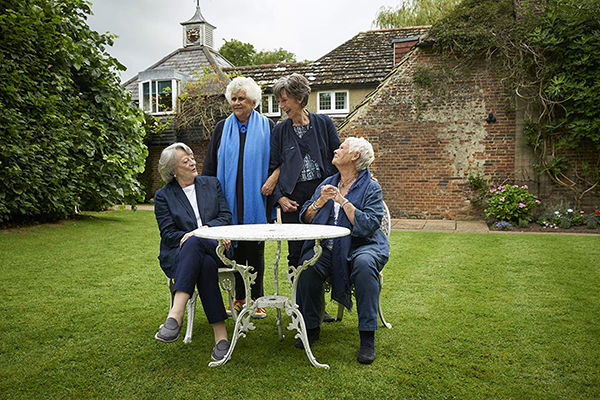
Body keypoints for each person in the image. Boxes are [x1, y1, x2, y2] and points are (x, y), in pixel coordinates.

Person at [295, 137, 390, 364]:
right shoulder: (328, 182)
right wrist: (319, 202)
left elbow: (368, 225)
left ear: (355, 156)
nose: (336, 150)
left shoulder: (371, 187)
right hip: (329, 247)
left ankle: (367, 337)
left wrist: (342, 200)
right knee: (308, 264)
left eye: (342, 148)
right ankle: (311, 326)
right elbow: (306, 217)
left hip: (362, 245)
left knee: (365, 265)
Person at [203, 76, 278, 319]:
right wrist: (210, 200)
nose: (236, 103)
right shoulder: (221, 128)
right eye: (233, 98)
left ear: (253, 101)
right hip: (228, 202)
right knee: (232, 252)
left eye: (241, 98)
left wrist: (273, 178)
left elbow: (279, 163)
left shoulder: (268, 127)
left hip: (257, 201)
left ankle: (257, 300)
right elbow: (210, 167)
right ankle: (238, 299)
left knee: (254, 250)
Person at [154, 142, 233, 361]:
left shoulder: (211, 183)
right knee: (204, 265)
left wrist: (203, 231)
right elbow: (169, 234)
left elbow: (225, 217)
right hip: (181, 253)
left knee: (197, 240)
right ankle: (221, 337)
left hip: (217, 246)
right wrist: (191, 236)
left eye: (191, 157)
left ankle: (175, 315)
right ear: (173, 170)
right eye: (185, 160)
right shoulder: (164, 196)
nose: (192, 162)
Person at [269, 73, 341, 269]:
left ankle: (317, 296)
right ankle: (295, 298)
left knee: (324, 247)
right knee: (295, 253)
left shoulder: (323, 123)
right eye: (279, 101)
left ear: (299, 98)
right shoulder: (280, 130)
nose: (281, 107)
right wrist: (280, 198)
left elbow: (339, 156)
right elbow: (272, 166)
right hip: (293, 198)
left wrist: (361, 175)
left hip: (322, 193)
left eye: (284, 101)